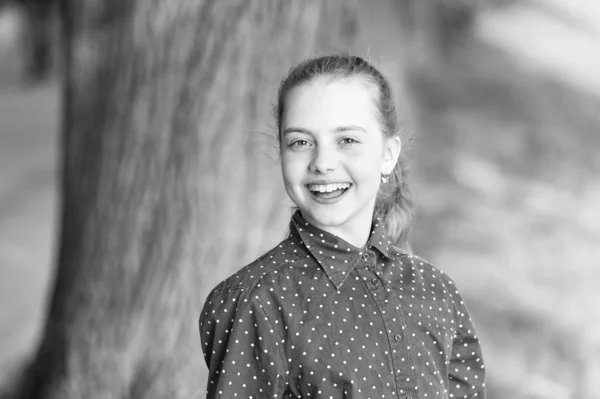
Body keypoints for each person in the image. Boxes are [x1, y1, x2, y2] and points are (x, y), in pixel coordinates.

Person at [199, 54, 486, 399]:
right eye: (301, 142)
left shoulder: (435, 292)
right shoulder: (257, 301)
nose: (322, 163)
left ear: (388, 154)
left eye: (347, 140)